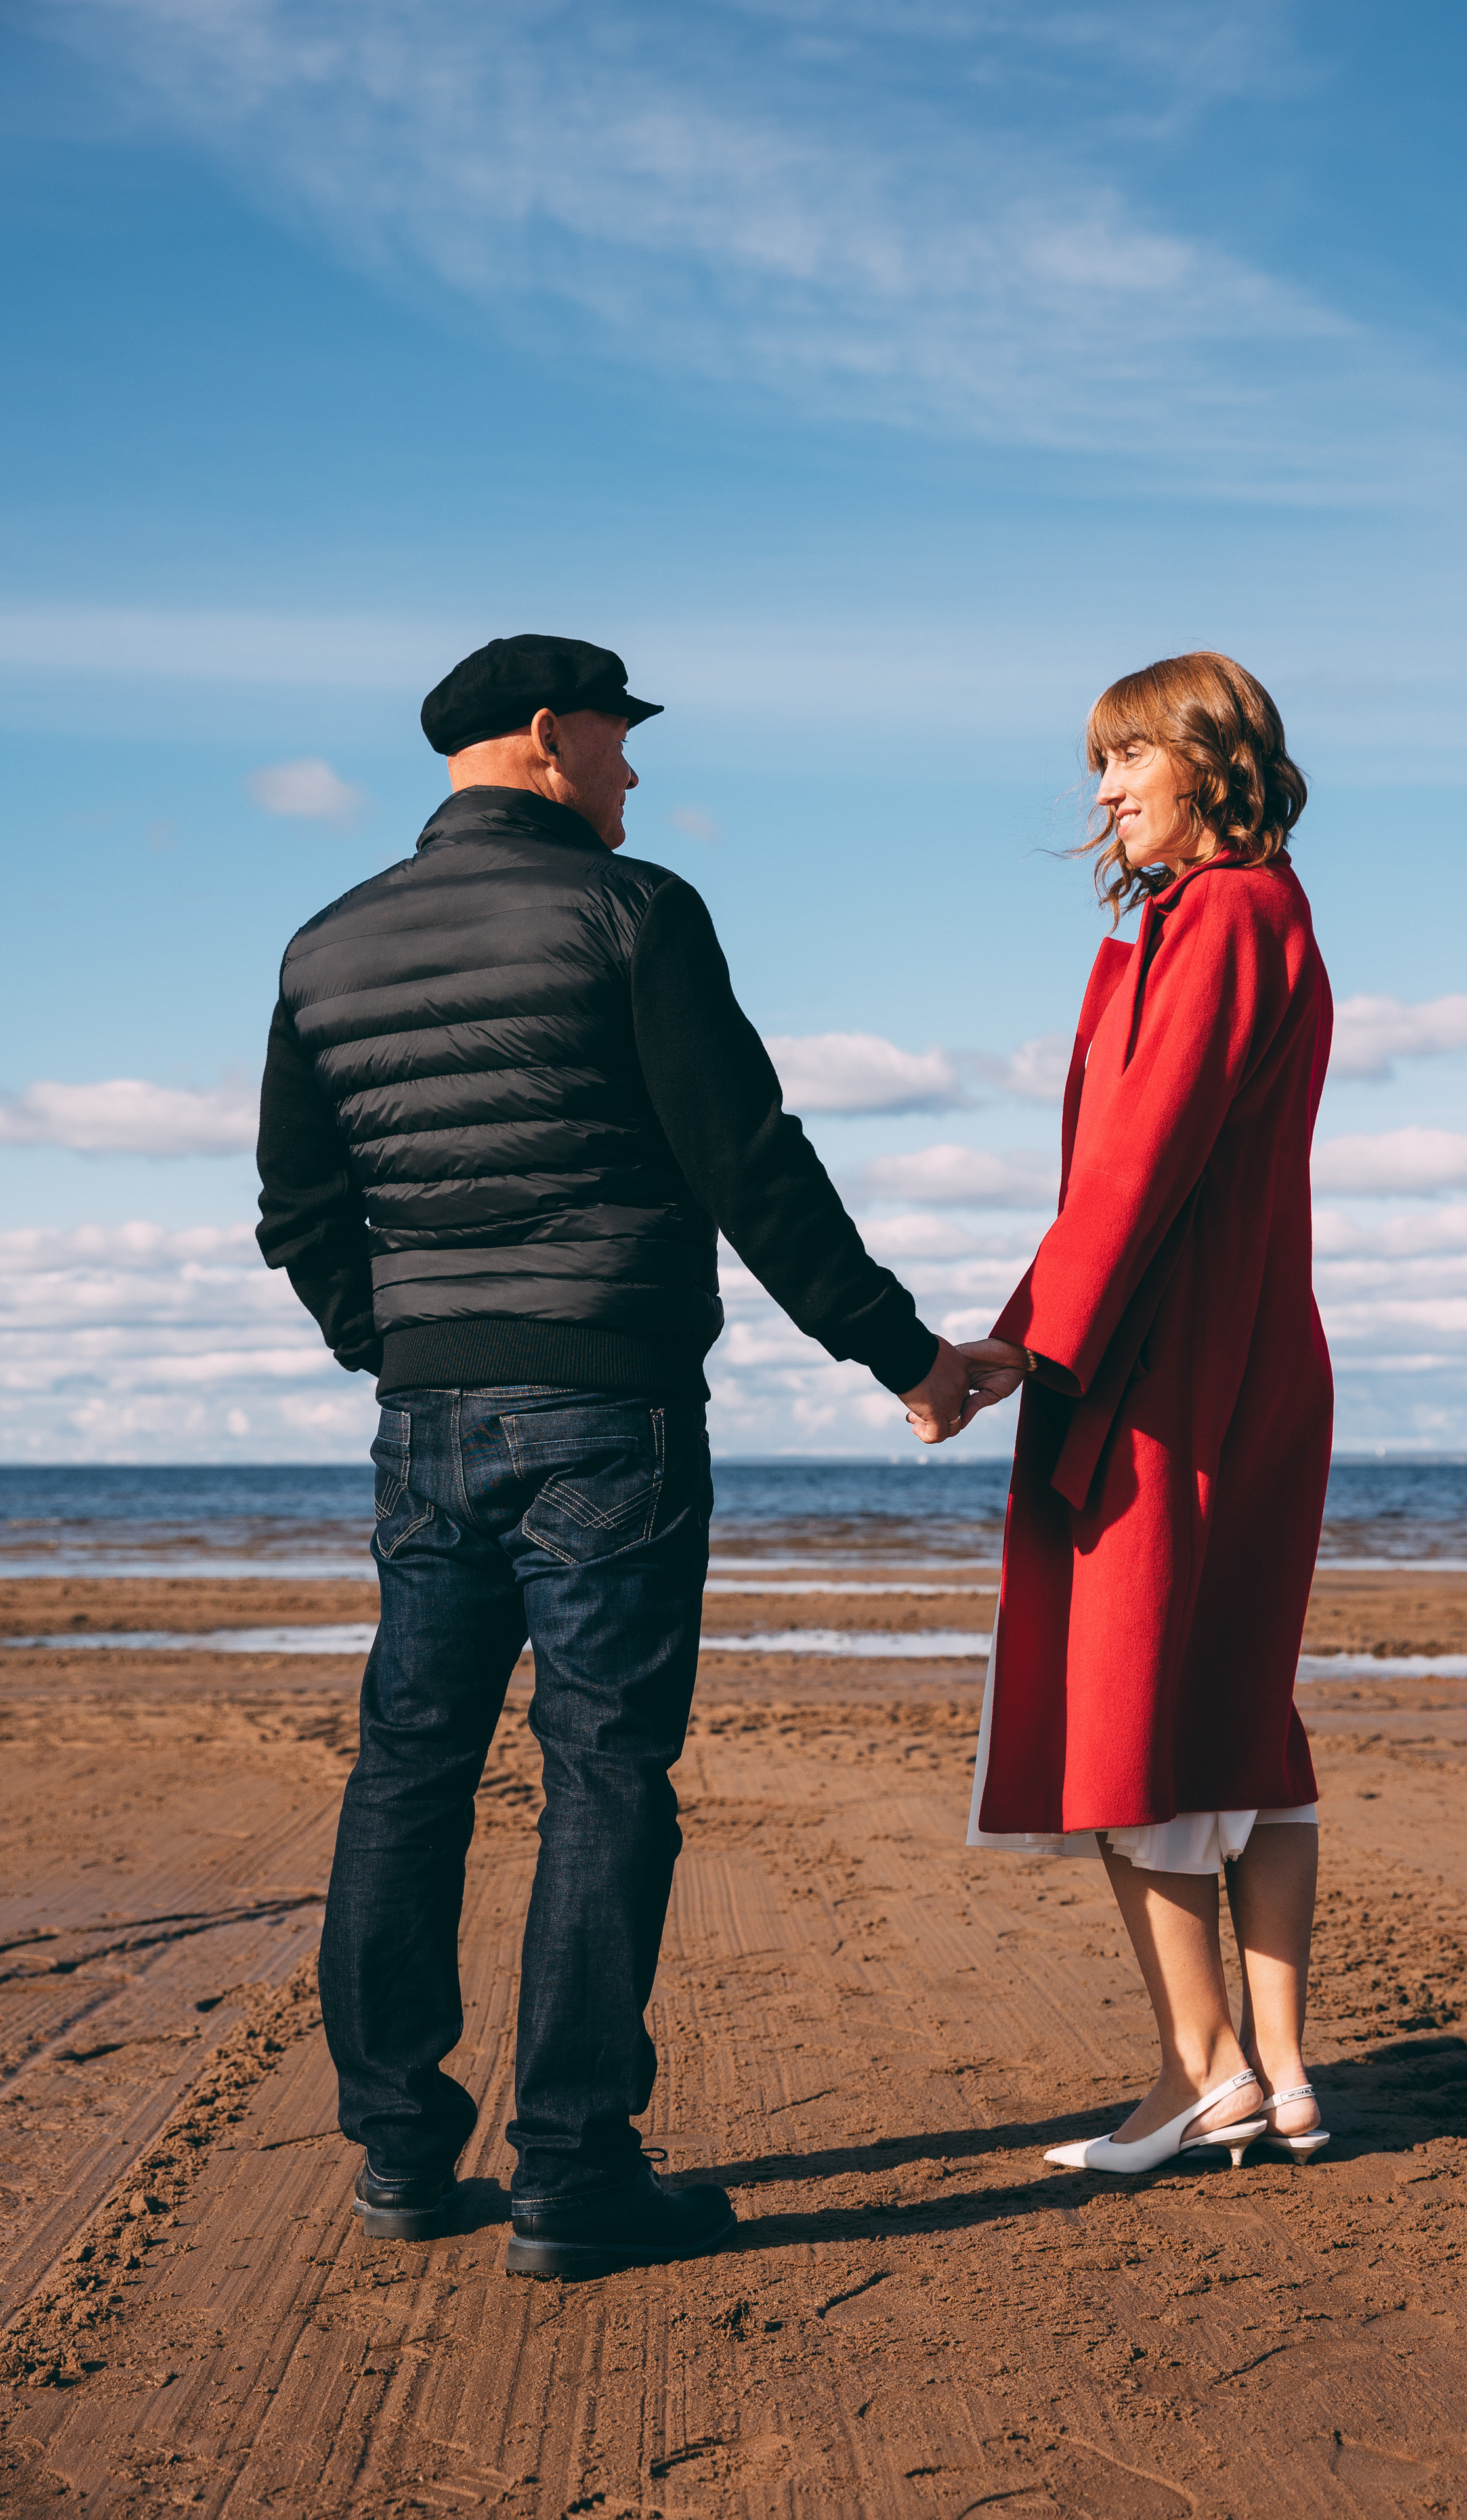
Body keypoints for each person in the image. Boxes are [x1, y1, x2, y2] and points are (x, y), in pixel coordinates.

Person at [255, 633, 971, 2277]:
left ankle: (397, 2152)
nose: (633, 772)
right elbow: (749, 1161)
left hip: (424, 1423)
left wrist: (407, 1348)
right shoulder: (629, 912)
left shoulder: (324, 943)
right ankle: (574, 2174)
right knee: (602, 1770)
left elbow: (299, 1213)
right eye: (616, 740)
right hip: (609, 1413)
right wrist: (905, 1360)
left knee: (410, 1767)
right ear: (541, 735)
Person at [956, 651, 1334, 2176]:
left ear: (1206, 762)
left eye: (1124, 759)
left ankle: (1200, 2076)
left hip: (1168, 1372)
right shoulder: (1251, 917)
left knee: (1133, 1722)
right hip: (1234, 1358)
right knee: (1238, 1716)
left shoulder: (1225, 917)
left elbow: (1133, 1169)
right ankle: (1280, 2075)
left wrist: (1013, 1354)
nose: (1102, 793)